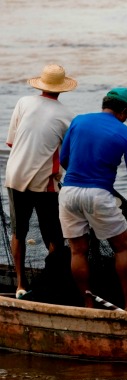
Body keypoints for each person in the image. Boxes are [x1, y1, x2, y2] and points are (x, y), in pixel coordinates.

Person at [58, 87, 127, 310]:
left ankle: (87, 303)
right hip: (99, 195)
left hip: (68, 192)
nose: (125, 120)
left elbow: (64, 158)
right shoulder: (126, 134)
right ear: (123, 111)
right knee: (123, 248)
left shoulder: (78, 121)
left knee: (78, 251)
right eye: (126, 115)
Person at [4, 64, 78, 299]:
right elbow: (67, 156)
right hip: (44, 182)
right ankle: (54, 283)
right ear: (62, 89)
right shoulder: (68, 116)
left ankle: (20, 285)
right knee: (54, 236)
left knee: (19, 232)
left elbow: (13, 142)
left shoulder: (23, 103)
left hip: (14, 175)